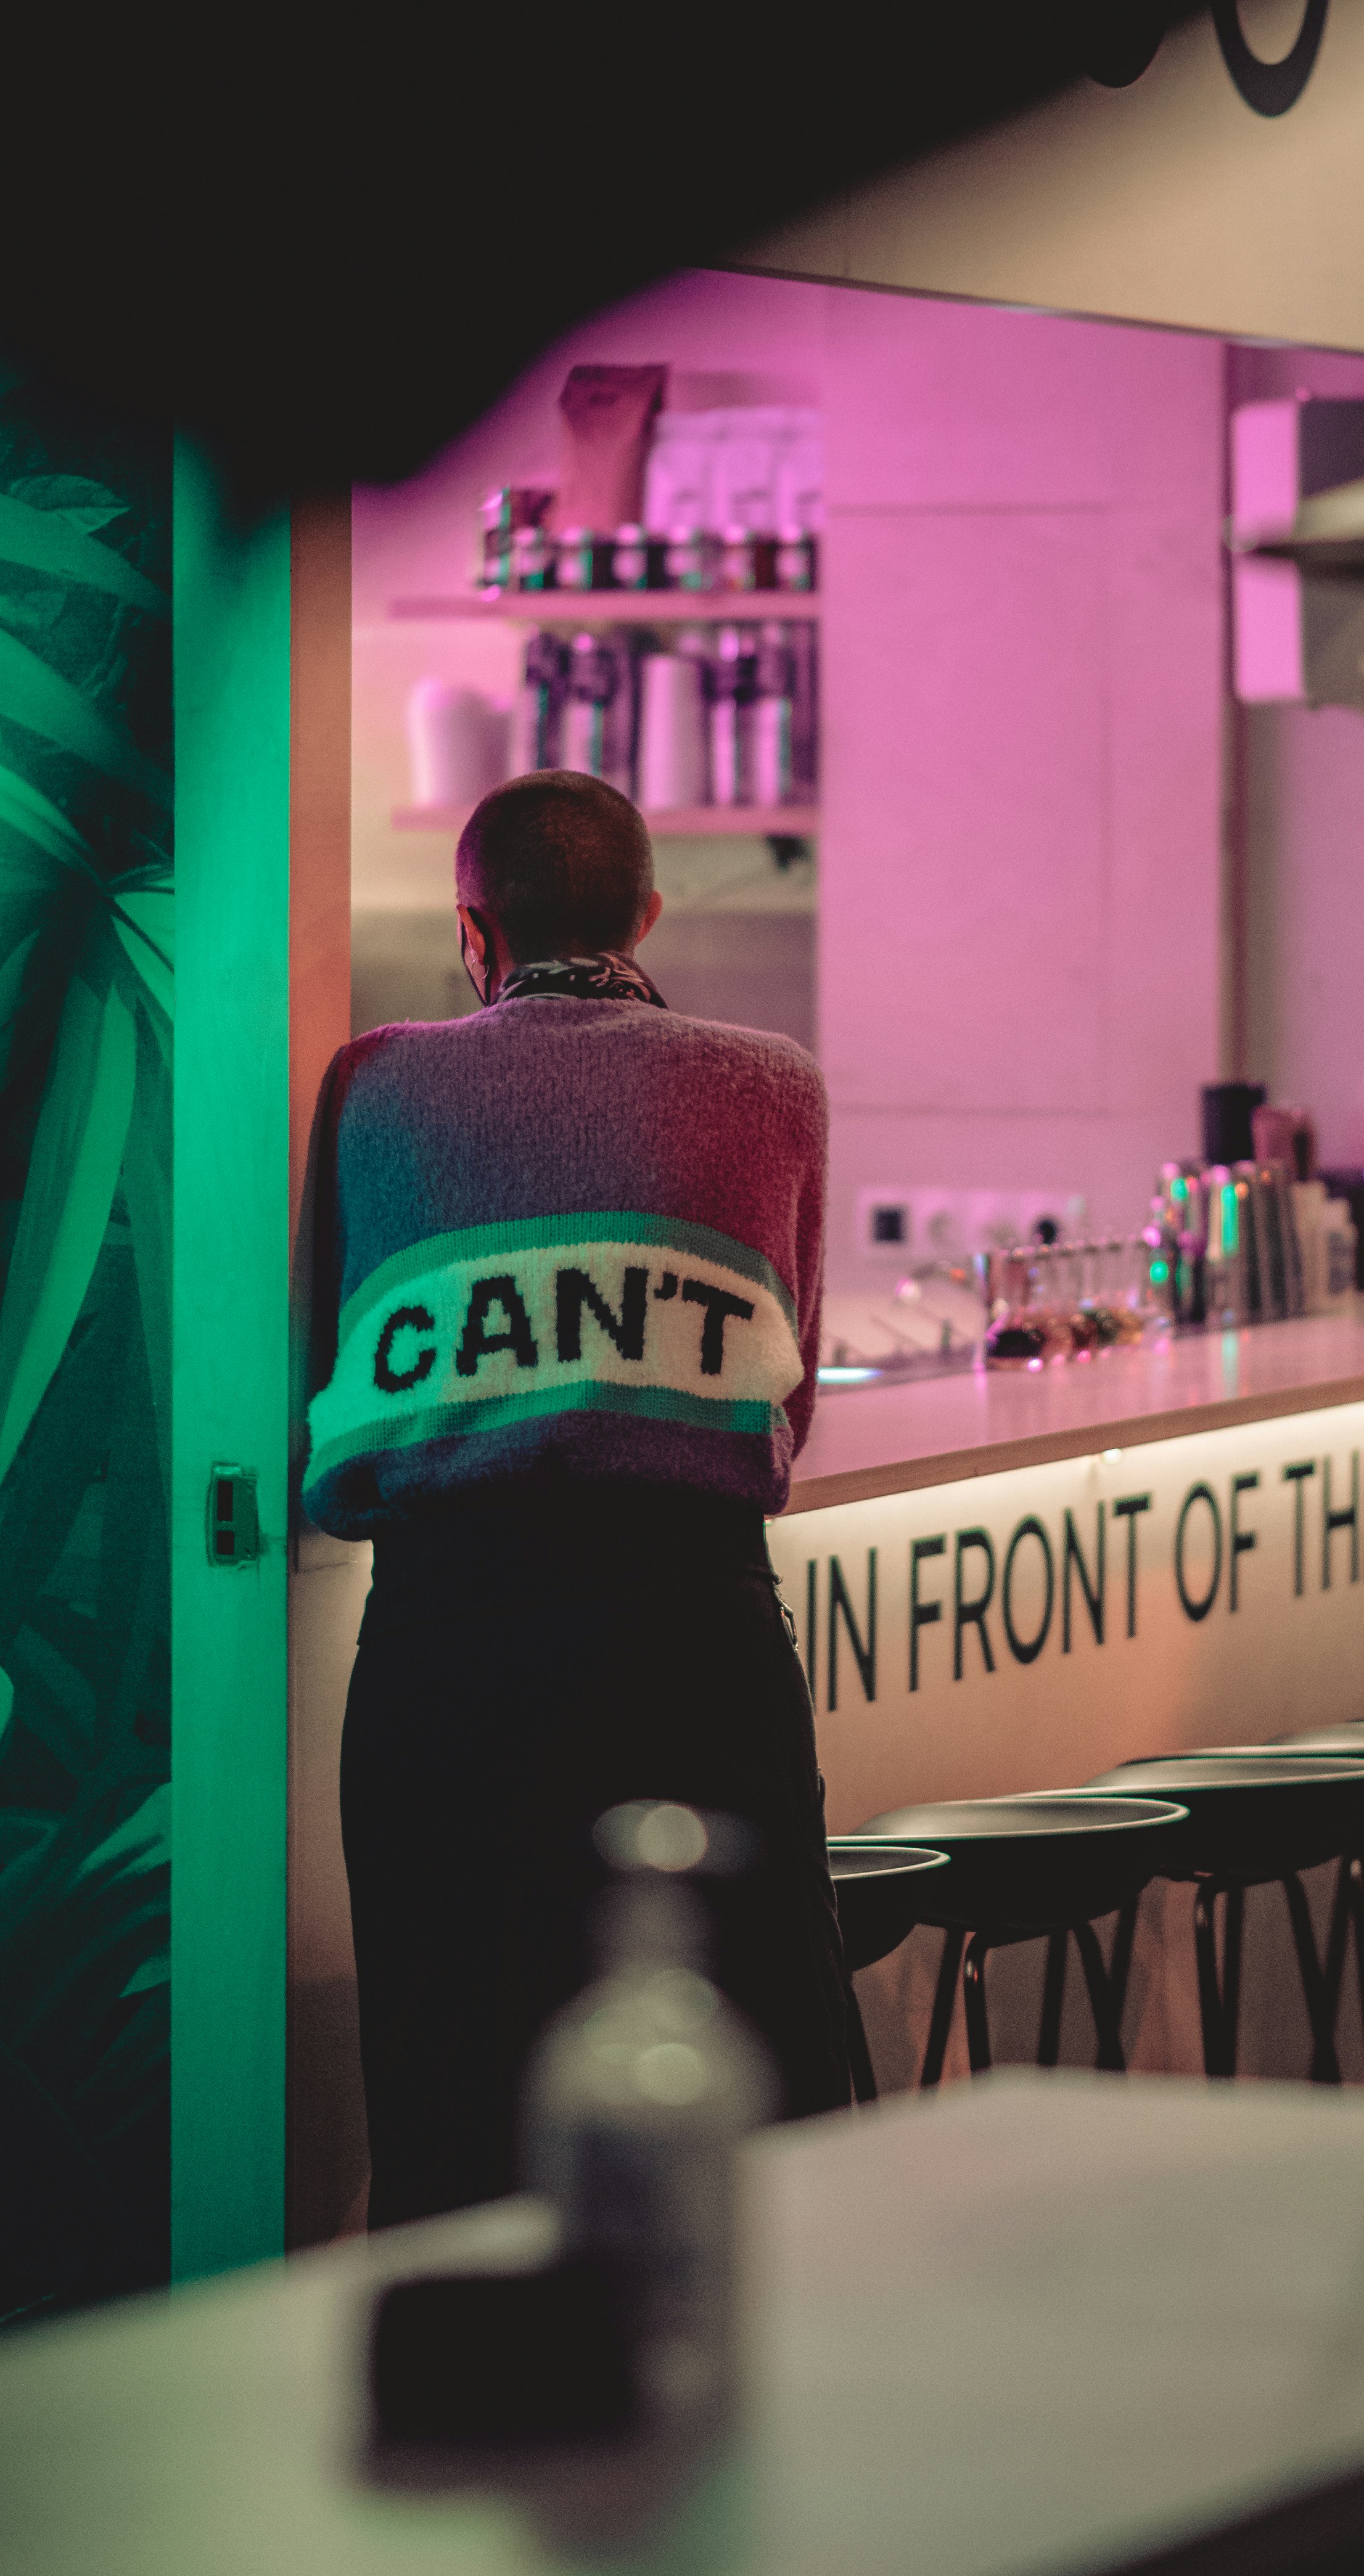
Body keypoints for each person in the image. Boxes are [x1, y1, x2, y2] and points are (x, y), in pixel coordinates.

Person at [303, 769, 850, 2226]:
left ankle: (474, 2414)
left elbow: (327, 1359)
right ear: (650, 911)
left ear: (472, 929)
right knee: (753, 2071)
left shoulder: (372, 1081)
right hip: (693, 1630)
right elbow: (785, 1403)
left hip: (447, 1643)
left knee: (451, 2081)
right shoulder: (773, 1081)